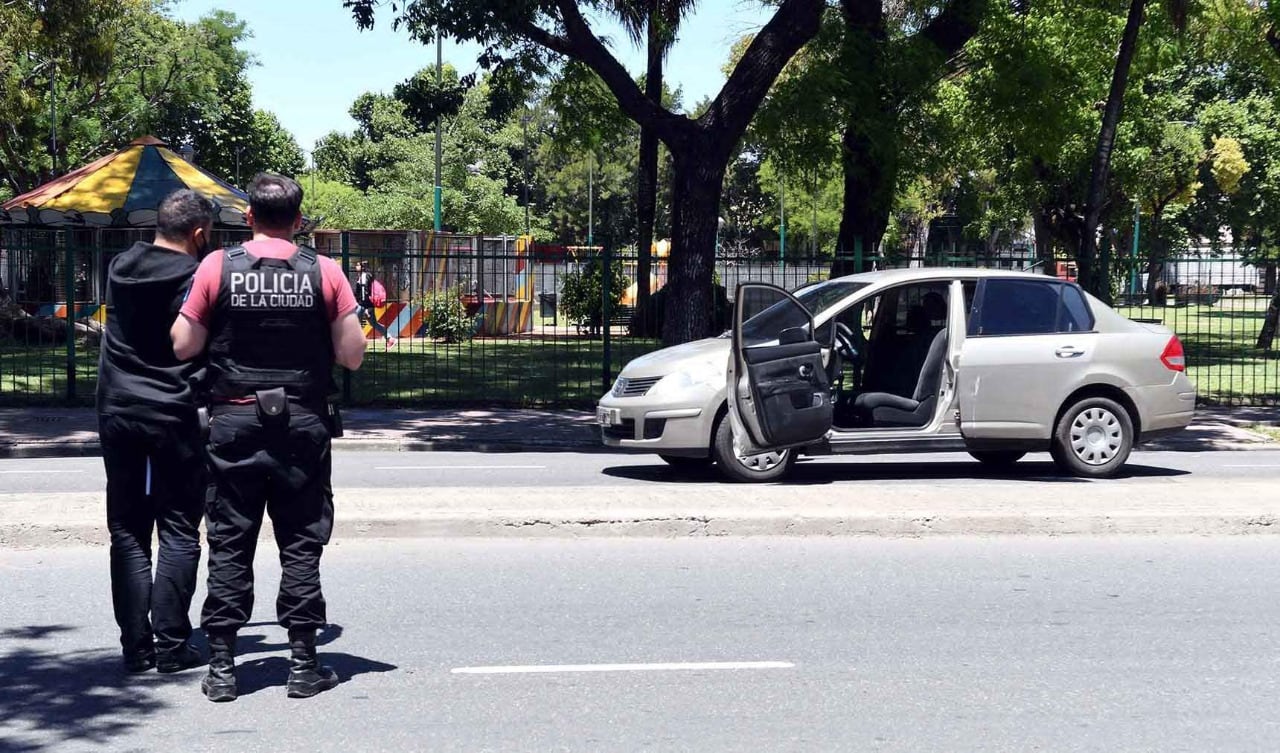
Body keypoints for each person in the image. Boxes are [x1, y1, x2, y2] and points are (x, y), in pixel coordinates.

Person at [171, 173, 366, 702]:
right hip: (302, 424)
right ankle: (303, 665)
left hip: (233, 423)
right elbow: (352, 355)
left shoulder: (217, 266)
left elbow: (184, 344)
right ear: (298, 221)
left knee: (230, 541)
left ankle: (222, 670)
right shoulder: (324, 271)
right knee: (301, 542)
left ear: (249, 217)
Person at [97, 189, 214, 674]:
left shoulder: (120, 266)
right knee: (180, 527)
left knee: (127, 529)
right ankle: (171, 644)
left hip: (118, 407)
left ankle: (135, 647)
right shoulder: (197, 277)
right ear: (199, 233)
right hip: (174, 411)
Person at [354, 260, 396, 349]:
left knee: (354, 323)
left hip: (364, 305)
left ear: (362, 267)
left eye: (357, 265)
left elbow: (365, 292)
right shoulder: (365, 276)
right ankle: (390, 338)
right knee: (373, 323)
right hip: (366, 304)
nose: (356, 267)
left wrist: (365, 308)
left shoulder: (364, 276)